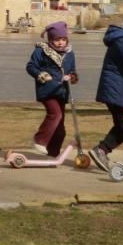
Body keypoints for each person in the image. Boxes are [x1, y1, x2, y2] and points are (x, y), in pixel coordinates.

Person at [25, 21, 78, 157]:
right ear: (50, 40)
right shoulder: (41, 51)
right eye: (56, 40)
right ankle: (39, 140)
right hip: (47, 90)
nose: (60, 43)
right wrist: (41, 75)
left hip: (62, 92)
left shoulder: (69, 53)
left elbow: (72, 70)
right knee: (55, 115)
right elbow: (31, 66)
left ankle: (52, 155)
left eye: (63, 39)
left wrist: (72, 76)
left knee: (60, 129)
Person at [87, 18, 123, 172]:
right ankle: (101, 150)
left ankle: (102, 150)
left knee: (122, 127)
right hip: (118, 93)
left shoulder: (122, 38)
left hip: (120, 92)